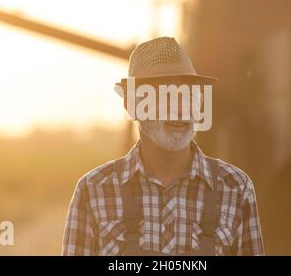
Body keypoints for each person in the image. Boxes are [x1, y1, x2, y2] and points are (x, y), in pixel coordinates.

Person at [62, 36, 264, 256]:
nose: (179, 109)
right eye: (165, 96)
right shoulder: (93, 191)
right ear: (132, 105)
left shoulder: (236, 189)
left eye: (188, 95)